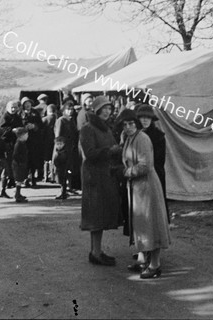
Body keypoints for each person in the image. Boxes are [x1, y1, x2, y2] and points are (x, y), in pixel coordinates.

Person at [120, 109, 170, 279]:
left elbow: (146, 165)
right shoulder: (129, 138)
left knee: (152, 225)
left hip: (147, 187)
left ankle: (155, 265)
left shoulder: (142, 138)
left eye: (131, 123)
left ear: (136, 124)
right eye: (125, 124)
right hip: (137, 188)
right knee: (142, 225)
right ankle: (143, 260)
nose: (128, 127)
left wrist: (126, 172)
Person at [79, 96, 122, 266]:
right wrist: (110, 151)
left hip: (105, 175)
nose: (107, 111)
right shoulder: (87, 129)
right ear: (96, 110)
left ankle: (96, 251)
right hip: (94, 178)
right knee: (96, 216)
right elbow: (90, 153)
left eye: (109, 108)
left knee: (101, 215)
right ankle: (95, 253)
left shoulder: (106, 129)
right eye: (104, 108)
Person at [136, 105, 169, 223]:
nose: (145, 120)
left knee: (155, 210)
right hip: (138, 176)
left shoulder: (159, 136)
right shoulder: (134, 135)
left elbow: (159, 160)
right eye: (142, 117)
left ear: (152, 120)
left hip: (154, 175)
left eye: (148, 118)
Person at [55, 101, 80, 194]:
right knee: (62, 170)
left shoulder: (71, 120)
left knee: (69, 169)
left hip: (71, 148)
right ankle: (62, 190)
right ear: (64, 110)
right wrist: (59, 150)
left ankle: (68, 187)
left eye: (72, 109)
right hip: (63, 149)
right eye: (68, 109)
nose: (70, 111)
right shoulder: (61, 120)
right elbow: (58, 136)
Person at [20, 97, 43, 187]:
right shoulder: (20, 113)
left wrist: (34, 126)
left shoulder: (35, 112)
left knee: (33, 159)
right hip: (24, 140)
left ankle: (33, 177)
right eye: (25, 103)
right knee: (24, 160)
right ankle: (25, 178)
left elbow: (41, 124)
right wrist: (24, 127)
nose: (27, 105)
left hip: (34, 140)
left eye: (29, 103)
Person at [0, 100, 23, 189]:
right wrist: (11, 130)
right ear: (7, 108)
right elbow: (1, 129)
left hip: (16, 142)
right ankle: (7, 181)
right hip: (7, 143)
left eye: (15, 107)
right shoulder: (5, 117)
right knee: (8, 163)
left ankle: (13, 179)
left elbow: (21, 126)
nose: (13, 109)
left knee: (15, 162)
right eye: (11, 107)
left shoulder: (17, 117)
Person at [12, 127, 30, 203]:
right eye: (26, 134)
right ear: (22, 135)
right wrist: (20, 162)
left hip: (20, 164)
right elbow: (15, 155)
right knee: (19, 180)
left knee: (20, 180)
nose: (27, 136)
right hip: (18, 165)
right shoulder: (18, 144)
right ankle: (17, 195)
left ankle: (18, 194)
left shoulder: (22, 143)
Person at [41, 104, 57, 182]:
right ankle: (53, 176)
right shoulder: (57, 119)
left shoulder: (44, 119)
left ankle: (45, 176)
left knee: (46, 159)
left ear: (48, 111)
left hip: (45, 141)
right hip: (54, 141)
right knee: (52, 159)